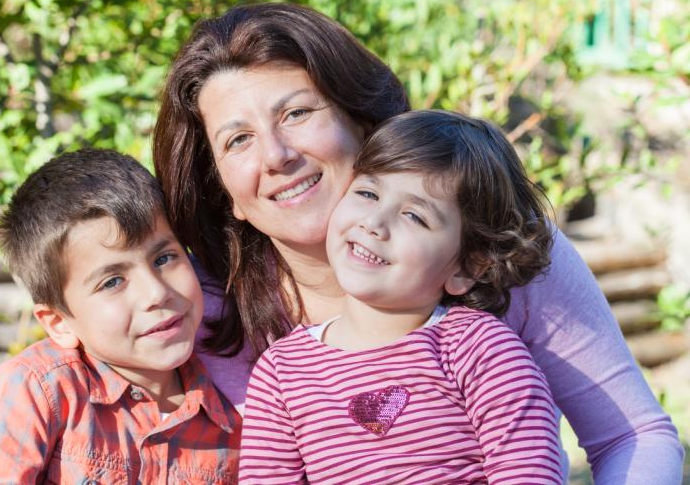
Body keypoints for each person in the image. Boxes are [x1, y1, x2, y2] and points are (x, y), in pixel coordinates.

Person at [150, 2, 683, 483]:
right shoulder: (195, 307)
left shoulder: (497, 250)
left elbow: (631, 435)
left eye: (296, 113)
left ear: (365, 127)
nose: (275, 155)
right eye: (237, 139)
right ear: (224, 191)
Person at [238, 109, 564, 484]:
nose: (374, 224)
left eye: (415, 217)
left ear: (466, 269)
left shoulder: (481, 351)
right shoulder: (282, 372)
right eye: (366, 193)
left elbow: (526, 474)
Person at [0, 149, 241, 483]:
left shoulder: (230, 423)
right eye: (112, 281)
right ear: (59, 323)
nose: (156, 293)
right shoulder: (41, 389)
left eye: (164, 258)